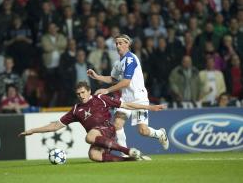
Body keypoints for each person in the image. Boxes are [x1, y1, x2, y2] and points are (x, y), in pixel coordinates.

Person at [19, 81, 165, 162]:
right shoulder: (76, 110)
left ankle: (128, 151)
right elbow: (55, 126)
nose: (81, 96)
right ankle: (131, 159)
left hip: (107, 129)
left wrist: (149, 107)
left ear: (89, 91)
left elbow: (126, 105)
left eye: (83, 92)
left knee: (89, 136)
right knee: (93, 155)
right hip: (99, 137)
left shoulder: (100, 98)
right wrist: (32, 130)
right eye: (78, 94)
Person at [87, 34, 169, 154]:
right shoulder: (118, 62)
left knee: (143, 131)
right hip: (125, 99)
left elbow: (126, 82)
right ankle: (125, 154)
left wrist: (107, 90)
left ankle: (160, 134)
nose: (118, 46)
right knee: (117, 124)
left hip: (139, 98)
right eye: (116, 43)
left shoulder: (131, 59)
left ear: (127, 44)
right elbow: (113, 79)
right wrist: (97, 76)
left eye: (120, 43)